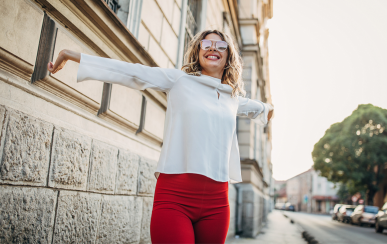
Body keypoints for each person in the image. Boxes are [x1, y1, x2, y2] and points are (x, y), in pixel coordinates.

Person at [48, 29, 274, 244]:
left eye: (220, 45)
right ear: (198, 51)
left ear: (228, 57)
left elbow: (263, 109)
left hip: (217, 203)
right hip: (175, 197)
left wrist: (273, 109)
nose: (212, 48)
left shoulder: (232, 97)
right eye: (206, 43)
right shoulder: (179, 80)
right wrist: (72, 55)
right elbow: (131, 71)